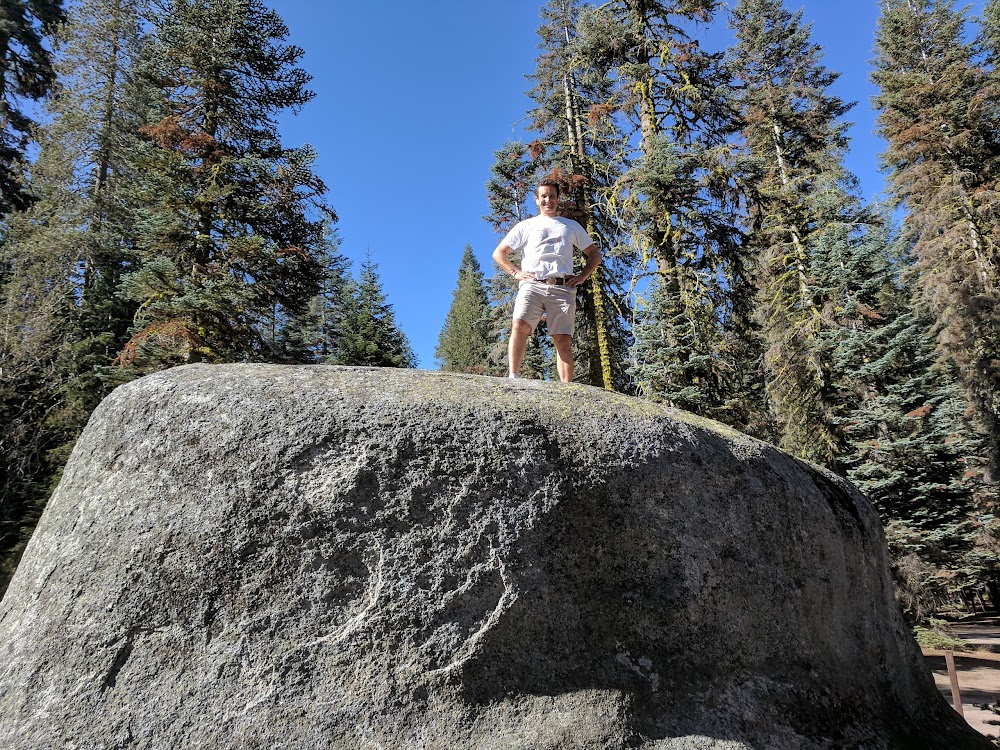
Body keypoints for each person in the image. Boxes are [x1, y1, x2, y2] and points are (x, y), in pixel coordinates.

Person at [492, 179, 602, 382]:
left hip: (562, 287)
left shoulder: (570, 226)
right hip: (532, 284)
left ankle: (566, 389)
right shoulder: (526, 226)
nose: (548, 200)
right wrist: (516, 273)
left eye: (552, 196)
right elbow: (499, 253)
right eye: (543, 196)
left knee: (563, 339)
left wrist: (582, 276)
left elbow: (594, 254)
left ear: (558, 199)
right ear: (536, 200)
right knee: (519, 326)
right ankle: (513, 377)